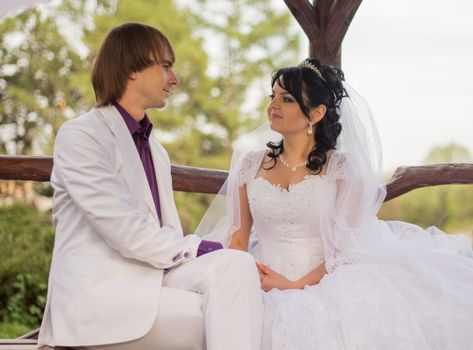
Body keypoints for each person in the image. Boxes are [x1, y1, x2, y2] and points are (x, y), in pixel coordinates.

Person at [198, 58, 473, 349]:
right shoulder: (250, 164)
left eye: (287, 99)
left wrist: (293, 285)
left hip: (325, 282)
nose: (273, 105)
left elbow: (346, 249)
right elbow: (238, 237)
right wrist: (245, 277)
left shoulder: (342, 169)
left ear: (316, 113)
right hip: (259, 282)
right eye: (273, 96)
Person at [38, 22, 263, 350]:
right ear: (132, 70)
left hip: (154, 272)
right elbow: (124, 229)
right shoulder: (81, 136)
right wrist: (201, 247)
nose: (175, 80)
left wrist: (220, 251)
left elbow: (164, 229)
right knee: (219, 286)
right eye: (166, 67)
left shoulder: (155, 149)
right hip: (103, 289)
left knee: (238, 265)